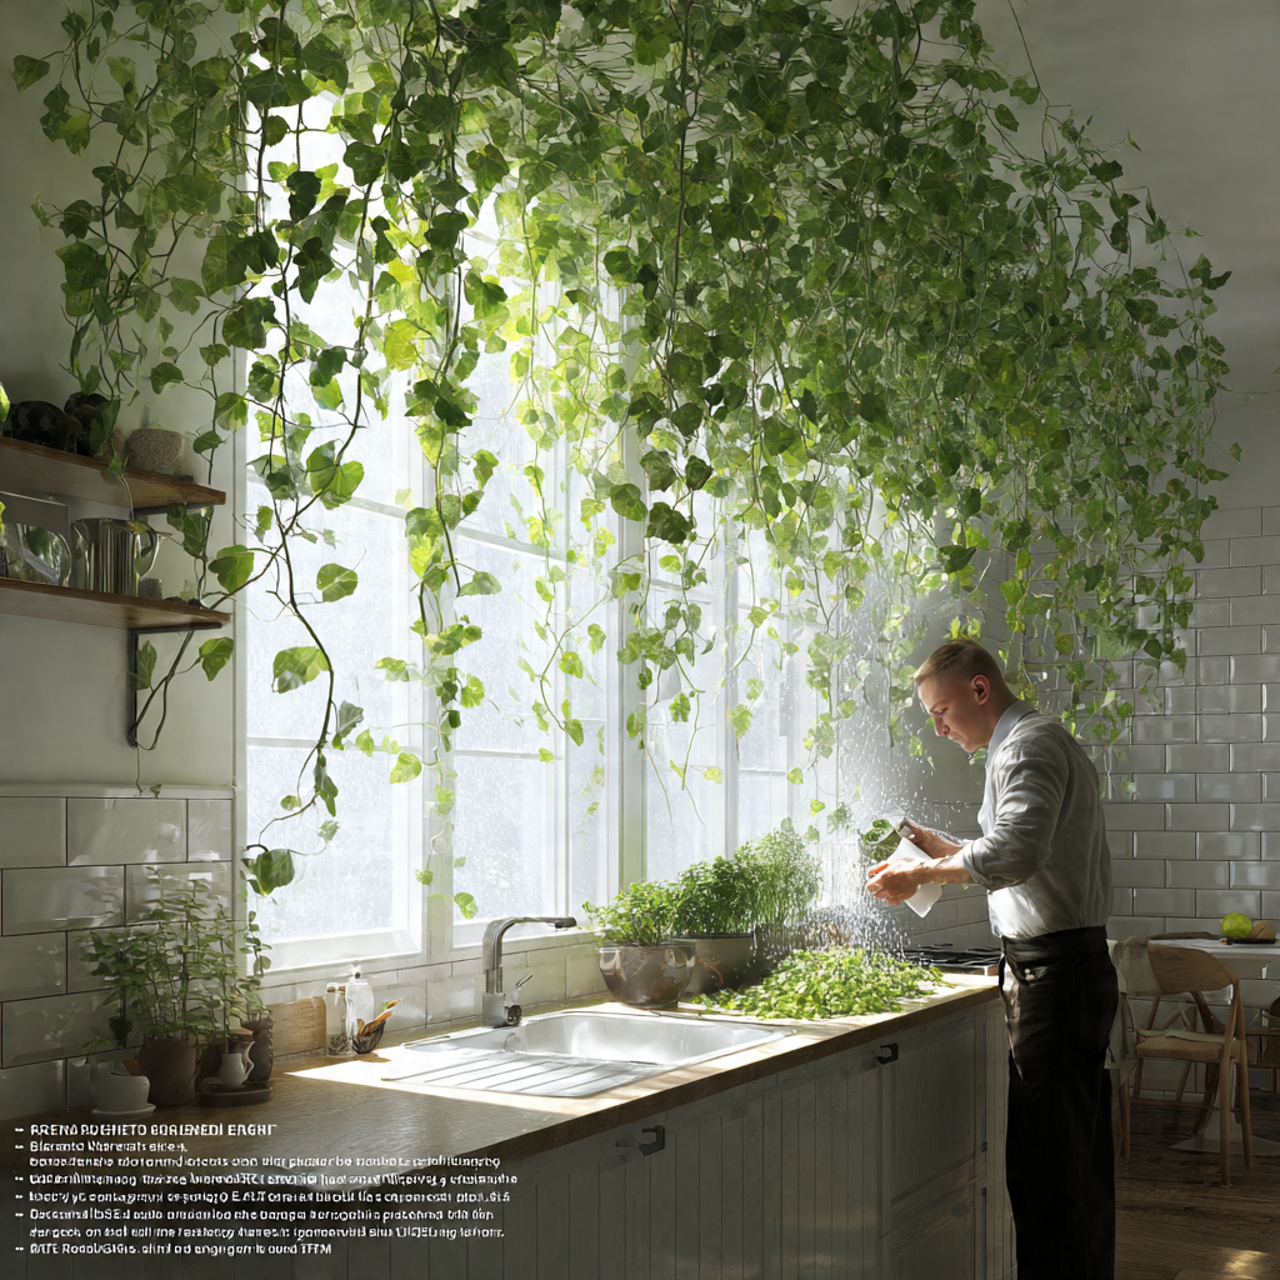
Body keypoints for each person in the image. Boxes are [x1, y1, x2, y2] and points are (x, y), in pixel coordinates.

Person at [866, 636, 1118, 1280]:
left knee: (1046, 1175)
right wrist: (943, 850)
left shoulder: (1028, 746)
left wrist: (923, 876)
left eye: (942, 710)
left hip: (1054, 978)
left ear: (980, 690)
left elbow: (1016, 853)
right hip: (1064, 970)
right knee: (1074, 1164)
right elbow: (1028, 849)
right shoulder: (1029, 742)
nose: (940, 727)